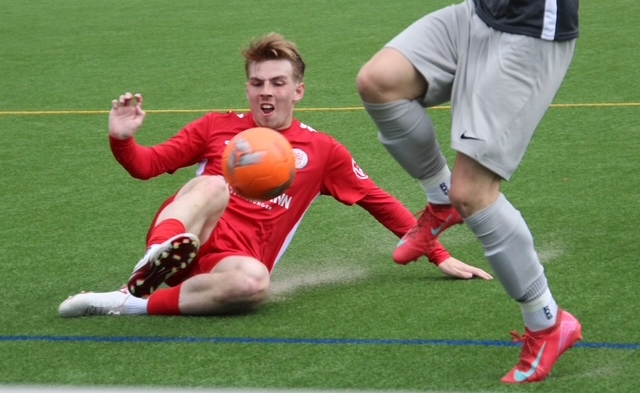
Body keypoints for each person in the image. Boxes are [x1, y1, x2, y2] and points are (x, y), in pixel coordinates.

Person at [356, 0, 598, 384]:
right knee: (380, 81)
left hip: (531, 32)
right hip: (485, 9)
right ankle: (439, 198)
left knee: (477, 193)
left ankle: (547, 321)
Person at [59, 34, 491, 319]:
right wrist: (122, 139)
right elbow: (146, 166)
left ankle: (128, 303)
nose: (266, 91)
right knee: (213, 183)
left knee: (254, 284)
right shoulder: (215, 126)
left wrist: (436, 253)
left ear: (298, 91)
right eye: (257, 82)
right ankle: (153, 260)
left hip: (231, 265)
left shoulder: (323, 150)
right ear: (248, 87)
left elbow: (377, 201)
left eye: (278, 82)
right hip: (189, 235)